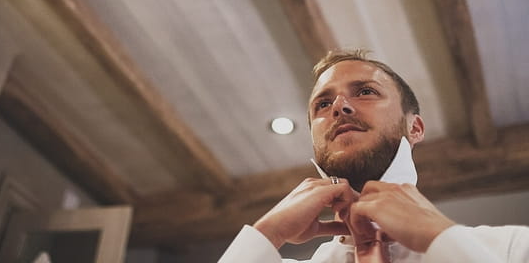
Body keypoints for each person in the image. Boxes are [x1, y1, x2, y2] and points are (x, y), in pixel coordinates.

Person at [218, 49, 529, 262]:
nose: (339, 106)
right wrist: (266, 233)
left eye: (366, 91)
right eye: (323, 105)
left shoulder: (513, 250)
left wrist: (441, 237)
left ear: (415, 127)